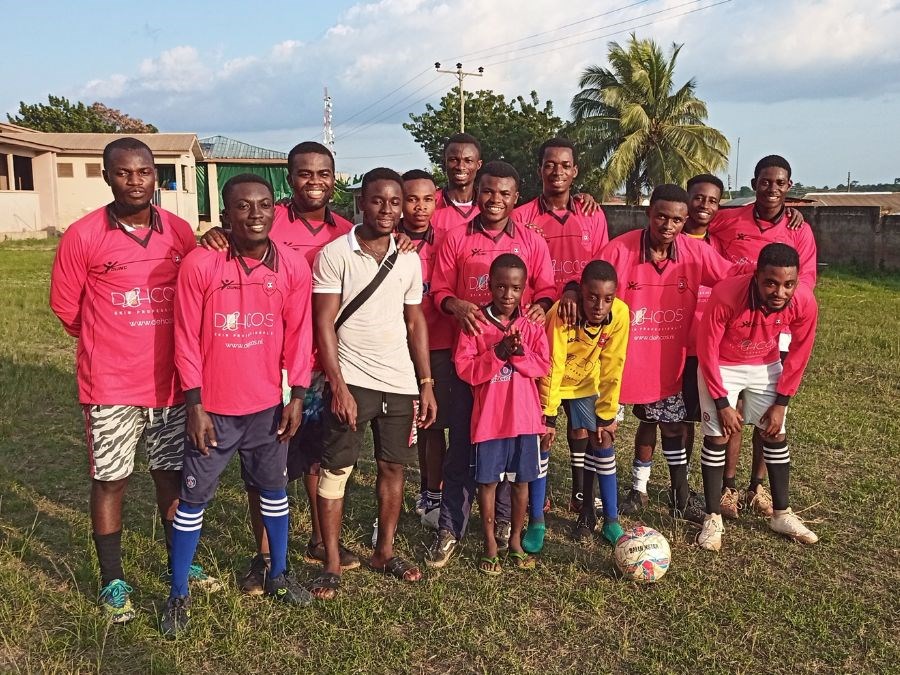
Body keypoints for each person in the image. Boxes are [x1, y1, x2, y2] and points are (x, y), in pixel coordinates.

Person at [49, 137, 215, 624]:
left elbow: (199, 288)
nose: (135, 181)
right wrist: (112, 339)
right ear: (107, 177)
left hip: (172, 384)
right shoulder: (83, 235)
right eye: (124, 173)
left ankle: (178, 563)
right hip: (111, 385)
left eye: (144, 172)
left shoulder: (180, 232)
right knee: (111, 480)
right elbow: (66, 306)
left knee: (171, 475)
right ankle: (112, 578)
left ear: (155, 175)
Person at [199, 142, 360, 591]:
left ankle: (315, 539)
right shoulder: (267, 219)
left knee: (314, 456)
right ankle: (265, 554)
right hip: (270, 363)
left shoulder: (349, 231)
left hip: (326, 362)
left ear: (335, 178)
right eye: (305, 174)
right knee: (265, 465)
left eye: (323, 173)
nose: (315, 182)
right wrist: (218, 233)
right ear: (289, 180)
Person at [162, 174, 313, 636]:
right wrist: (195, 403)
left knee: (274, 493)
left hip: (268, 407)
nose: (255, 215)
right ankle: (178, 593)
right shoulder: (201, 264)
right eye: (243, 207)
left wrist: (297, 397)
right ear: (224, 215)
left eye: (264, 205)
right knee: (193, 500)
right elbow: (185, 337)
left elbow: (300, 334)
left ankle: (279, 574)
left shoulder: (291, 265)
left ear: (275, 210)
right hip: (215, 410)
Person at [307, 167, 437, 600]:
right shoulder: (335, 253)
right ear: (360, 202)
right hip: (353, 378)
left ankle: (385, 551)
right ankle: (330, 561)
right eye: (378, 200)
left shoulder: (409, 257)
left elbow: (414, 320)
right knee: (337, 469)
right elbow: (324, 323)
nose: (387, 209)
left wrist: (426, 382)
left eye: (395, 202)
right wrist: (338, 385)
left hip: (399, 381)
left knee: (393, 467)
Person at [426, 160, 556, 568]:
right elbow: (439, 291)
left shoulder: (532, 241)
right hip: (468, 353)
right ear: (476, 192)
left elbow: (547, 287)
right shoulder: (455, 238)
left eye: (504, 193)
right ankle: (450, 527)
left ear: (517, 197)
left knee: (511, 446)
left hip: (515, 368)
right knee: (464, 444)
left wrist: (540, 308)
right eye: (487, 191)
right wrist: (457, 304)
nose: (494, 200)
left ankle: (504, 525)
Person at [600, 184, 741, 524]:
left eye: (677, 219)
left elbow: (735, 279)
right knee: (604, 430)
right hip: (616, 360)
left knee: (673, 427)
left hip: (665, 360)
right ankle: (599, 495)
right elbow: (591, 289)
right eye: (661, 216)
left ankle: (680, 496)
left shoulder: (695, 253)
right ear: (649, 214)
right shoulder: (619, 250)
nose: (668, 225)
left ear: (685, 221)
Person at [708, 155, 817, 516]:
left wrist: (778, 311)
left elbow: (806, 281)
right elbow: (703, 240)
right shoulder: (728, 220)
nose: (772, 189)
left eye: (780, 183)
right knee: (734, 409)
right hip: (734, 321)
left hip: (777, 330)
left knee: (767, 413)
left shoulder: (799, 228)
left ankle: (758, 486)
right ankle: (729, 486)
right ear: (754, 184)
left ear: (789, 186)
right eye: (765, 182)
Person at [696, 243, 818, 551]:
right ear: (756, 276)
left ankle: (781, 513)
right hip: (723, 365)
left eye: (788, 284)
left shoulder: (803, 301)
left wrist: (782, 403)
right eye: (771, 283)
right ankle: (712, 517)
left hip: (765, 364)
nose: (780, 291)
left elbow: (799, 355)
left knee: (775, 435)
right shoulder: (726, 294)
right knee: (717, 437)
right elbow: (707, 350)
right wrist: (722, 402)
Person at [513, 137, 610, 519]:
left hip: (584, 329)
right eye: (550, 164)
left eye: (565, 165)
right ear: (540, 170)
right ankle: (542, 491)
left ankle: (580, 494)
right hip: (540, 324)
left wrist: (576, 293)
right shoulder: (521, 216)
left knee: (580, 418)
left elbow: (601, 269)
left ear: (575, 171)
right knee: (541, 413)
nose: (558, 171)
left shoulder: (592, 214)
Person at [454, 254, 550, 574]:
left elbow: (543, 365)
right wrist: (498, 352)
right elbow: (466, 369)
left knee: (522, 481)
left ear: (524, 289)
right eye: (501, 287)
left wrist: (518, 353)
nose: (508, 295)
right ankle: (490, 545)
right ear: (489, 285)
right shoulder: (476, 323)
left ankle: (515, 543)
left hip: (524, 419)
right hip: (490, 421)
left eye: (515, 288)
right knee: (489, 483)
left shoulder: (532, 324)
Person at [538, 260, 629, 549]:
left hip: (586, 383)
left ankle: (610, 519)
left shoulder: (621, 315)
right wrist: (548, 417)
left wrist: (606, 414)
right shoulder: (563, 312)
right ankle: (536, 520)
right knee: (541, 442)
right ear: (580, 292)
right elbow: (553, 365)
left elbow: (614, 365)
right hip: (552, 380)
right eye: (591, 296)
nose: (599, 305)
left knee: (602, 440)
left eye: (607, 298)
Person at [399, 170, 454, 528]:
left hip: (442, 345)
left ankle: (438, 493)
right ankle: (426, 492)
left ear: (437, 200)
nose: (419, 207)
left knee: (438, 424)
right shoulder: (388, 240)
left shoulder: (449, 240)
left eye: (427, 199)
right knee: (415, 427)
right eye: (411, 199)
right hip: (399, 348)